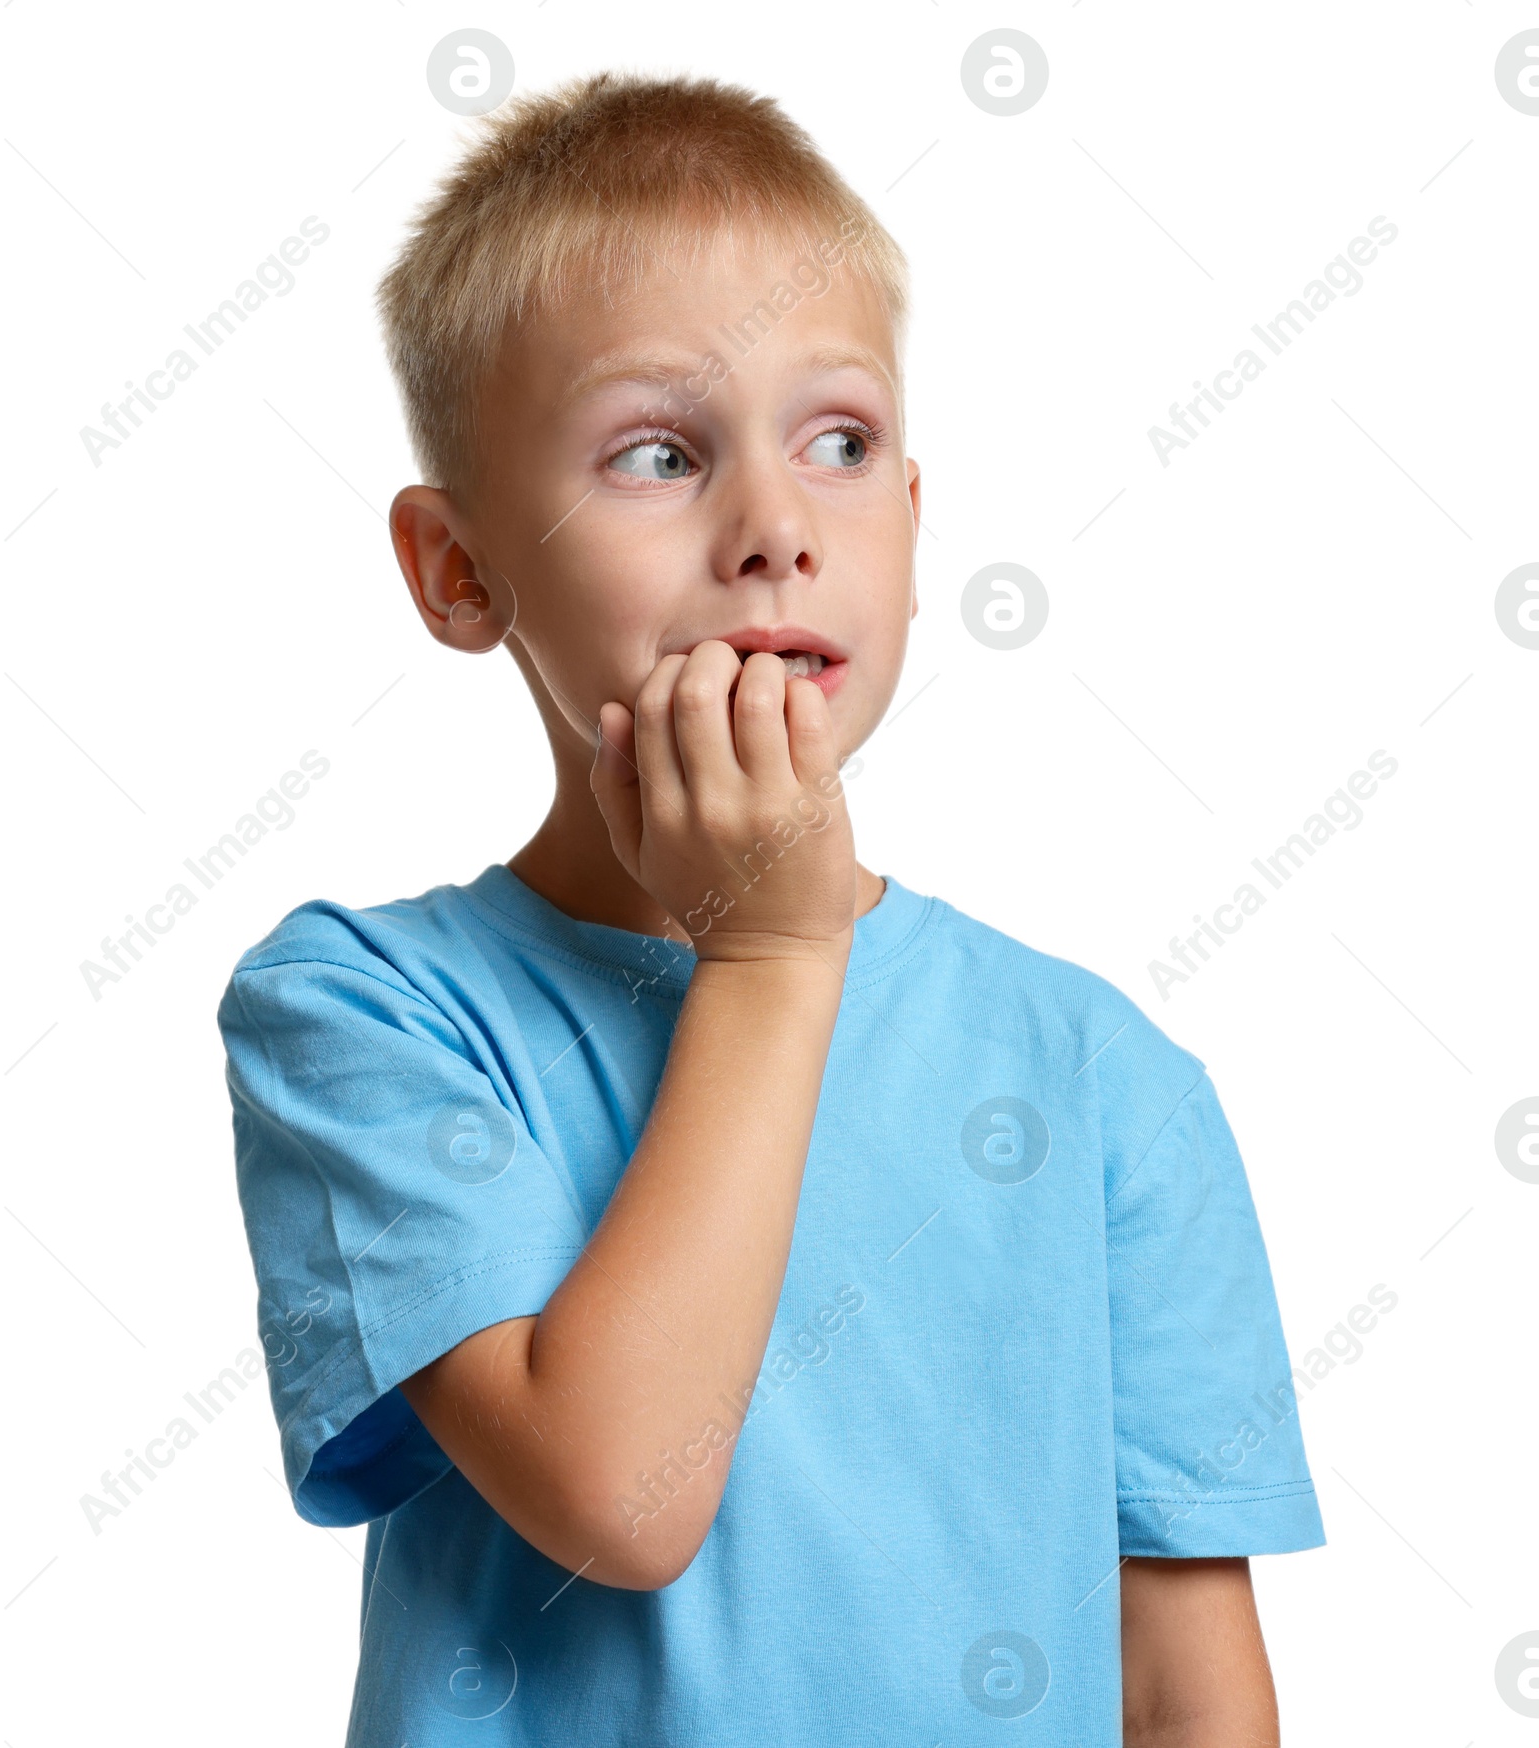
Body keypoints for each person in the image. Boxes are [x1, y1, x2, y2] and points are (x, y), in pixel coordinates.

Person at [217, 69, 1323, 1747]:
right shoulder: (361, 1011)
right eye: (659, 452)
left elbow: (1187, 1685)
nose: (777, 530)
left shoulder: (1102, 1078)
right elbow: (618, 1495)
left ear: (914, 519)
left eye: (842, 443)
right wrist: (775, 949)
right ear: (459, 571)